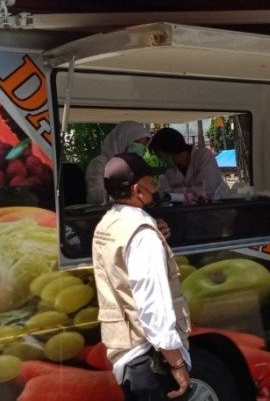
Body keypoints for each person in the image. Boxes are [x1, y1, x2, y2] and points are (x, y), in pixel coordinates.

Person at [92, 153, 191, 400]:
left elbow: (122, 268)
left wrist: (154, 235)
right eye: (152, 181)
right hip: (148, 359)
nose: (156, 187)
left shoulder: (107, 224)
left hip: (126, 357)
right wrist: (177, 364)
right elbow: (152, 306)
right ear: (138, 190)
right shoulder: (142, 236)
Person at [148, 127, 226, 201]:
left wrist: (175, 194)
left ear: (169, 148)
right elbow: (163, 193)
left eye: (159, 154)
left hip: (216, 209)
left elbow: (206, 191)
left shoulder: (203, 156)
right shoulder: (168, 170)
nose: (159, 158)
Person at [86, 121, 151, 205]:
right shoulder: (99, 164)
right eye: (137, 142)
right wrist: (125, 197)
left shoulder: (135, 165)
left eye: (144, 144)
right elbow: (96, 196)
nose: (140, 147)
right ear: (122, 139)